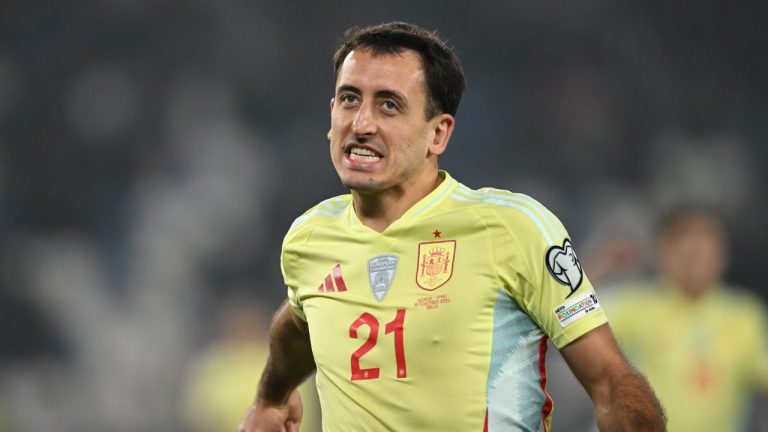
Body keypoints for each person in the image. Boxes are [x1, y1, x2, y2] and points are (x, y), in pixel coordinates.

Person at [240, 22, 665, 431]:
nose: (361, 124)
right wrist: (271, 397)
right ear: (332, 113)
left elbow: (611, 384)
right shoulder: (309, 238)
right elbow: (298, 323)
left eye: (389, 105)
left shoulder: (512, 228)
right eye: (350, 99)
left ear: (438, 134)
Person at [606, 208, 768, 432]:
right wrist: (600, 266)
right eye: (687, 251)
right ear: (663, 253)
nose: (696, 258)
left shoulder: (744, 314)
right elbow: (571, 319)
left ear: (721, 254)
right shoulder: (637, 306)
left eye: (705, 250)